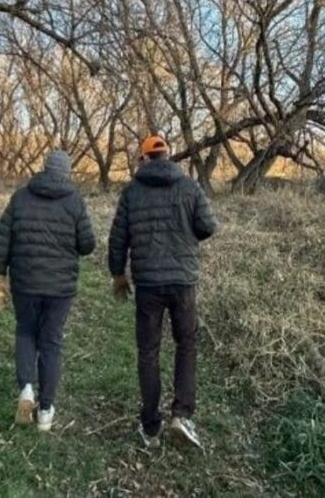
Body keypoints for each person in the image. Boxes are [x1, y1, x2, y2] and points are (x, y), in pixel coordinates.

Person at [108, 134, 218, 449]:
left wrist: (118, 274)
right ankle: (182, 415)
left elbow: (118, 237)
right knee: (186, 345)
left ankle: (151, 423)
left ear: (144, 158)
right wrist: (187, 232)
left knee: (148, 351)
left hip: (148, 284)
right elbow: (208, 226)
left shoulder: (132, 192)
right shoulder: (189, 186)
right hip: (183, 282)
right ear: (168, 156)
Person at [0, 150, 96, 432]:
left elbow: (2, 238)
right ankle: (45, 411)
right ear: (66, 173)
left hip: (25, 282)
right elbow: (87, 245)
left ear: (44, 169)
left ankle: (26, 390)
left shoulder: (21, 197)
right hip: (60, 288)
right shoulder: (74, 201)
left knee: (25, 331)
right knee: (51, 341)